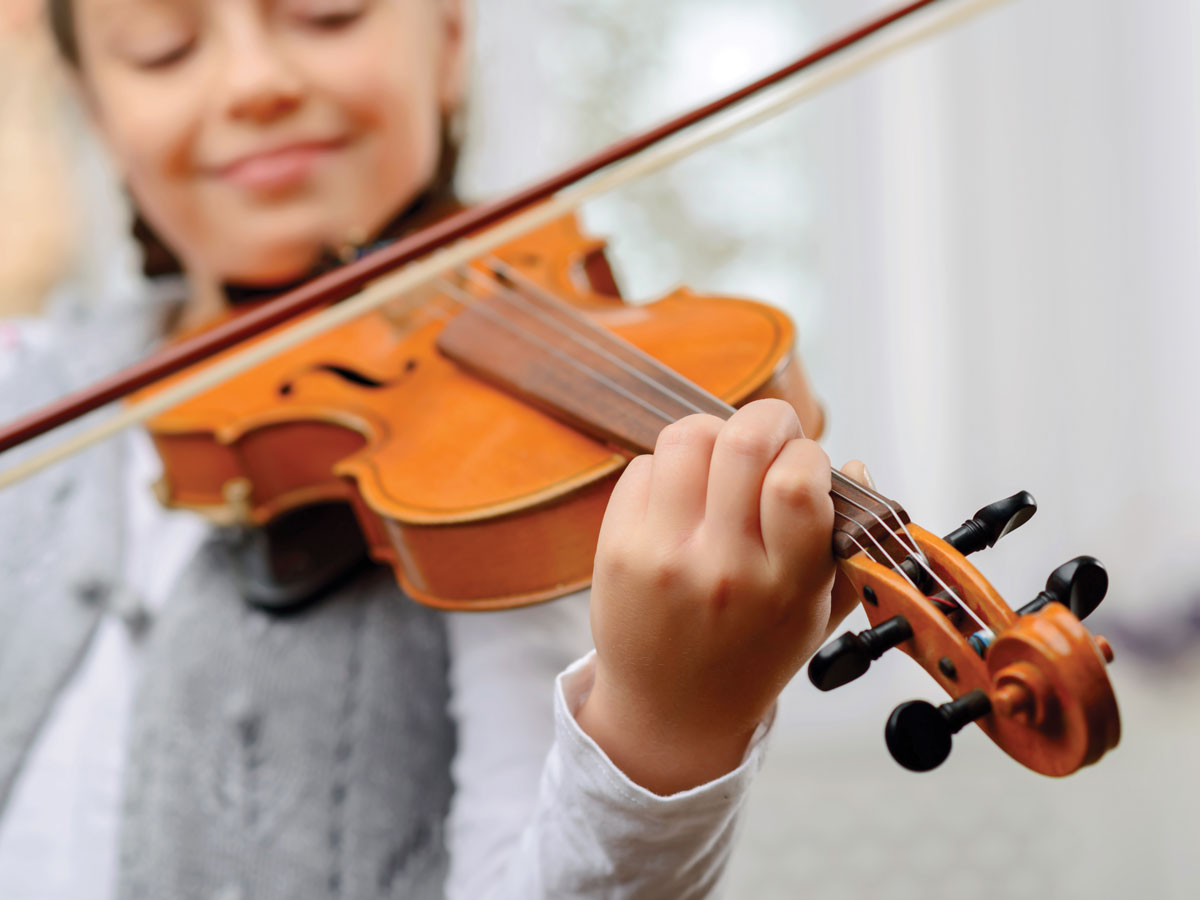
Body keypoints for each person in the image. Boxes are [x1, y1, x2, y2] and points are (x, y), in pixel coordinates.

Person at [0, 0, 868, 897]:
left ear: (449, 43)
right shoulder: (33, 387)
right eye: (162, 48)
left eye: (325, 15)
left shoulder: (499, 465)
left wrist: (665, 728)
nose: (255, 83)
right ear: (97, 111)